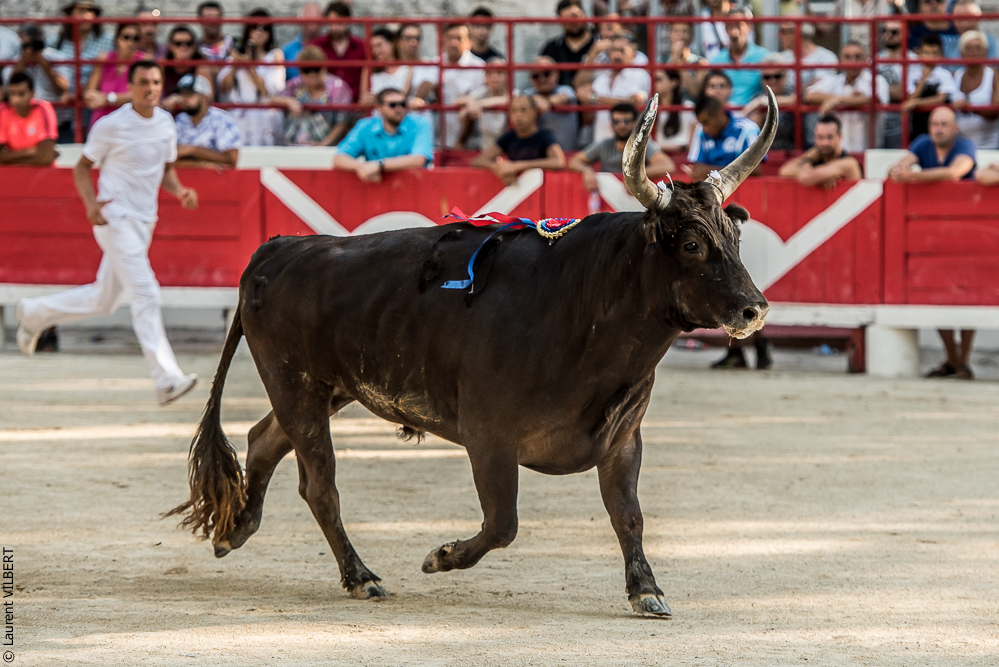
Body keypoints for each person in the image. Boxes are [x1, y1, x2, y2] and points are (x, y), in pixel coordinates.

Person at [15, 59, 200, 405]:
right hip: (114, 216)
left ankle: (33, 312)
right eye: (144, 82)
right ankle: (166, 380)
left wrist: (181, 191)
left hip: (145, 220)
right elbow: (82, 168)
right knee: (146, 292)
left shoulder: (165, 123)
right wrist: (90, 205)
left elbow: (166, 171)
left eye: (157, 82)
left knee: (105, 298)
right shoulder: (111, 125)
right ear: (130, 88)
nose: (151, 88)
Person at [889, 107, 976, 379]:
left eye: (944, 124)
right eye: (934, 124)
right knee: (939, 295)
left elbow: (954, 173)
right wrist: (901, 168)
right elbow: (898, 167)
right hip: (935, 232)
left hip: (965, 231)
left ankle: (960, 360)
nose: (938, 128)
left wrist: (911, 176)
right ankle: (954, 361)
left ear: (955, 128)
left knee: (966, 297)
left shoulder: (965, 145)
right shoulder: (923, 144)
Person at [569, 102, 675, 199]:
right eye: (616, 121)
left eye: (626, 121)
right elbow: (574, 161)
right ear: (611, 125)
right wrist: (587, 170)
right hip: (608, 202)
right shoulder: (605, 144)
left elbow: (667, 165)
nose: (621, 125)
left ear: (635, 124)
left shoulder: (643, 144)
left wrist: (634, 177)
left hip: (636, 204)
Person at [805, 42, 890, 153]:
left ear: (866, 60)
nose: (852, 61)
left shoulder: (877, 80)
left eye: (857, 57)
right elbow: (809, 95)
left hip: (869, 153)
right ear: (841, 60)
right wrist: (844, 98)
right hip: (837, 154)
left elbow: (875, 100)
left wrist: (838, 100)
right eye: (847, 57)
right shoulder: (834, 80)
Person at [333, 88, 433, 181]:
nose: (399, 109)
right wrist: (362, 167)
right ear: (379, 108)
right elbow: (339, 158)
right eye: (392, 105)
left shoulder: (419, 124)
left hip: (413, 189)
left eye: (403, 104)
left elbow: (419, 160)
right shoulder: (365, 126)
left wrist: (378, 165)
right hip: (375, 191)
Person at [218, 9, 286, 146]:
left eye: (265, 28)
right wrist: (236, 64)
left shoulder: (275, 55)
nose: (259, 32)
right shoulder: (236, 55)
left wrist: (248, 65)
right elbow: (224, 88)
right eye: (255, 27)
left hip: (265, 118)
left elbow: (268, 90)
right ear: (248, 30)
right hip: (239, 117)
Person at [471, 95, 566, 185]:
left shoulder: (545, 136)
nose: (518, 115)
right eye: (513, 111)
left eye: (523, 110)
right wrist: (499, 168)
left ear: (534, 112)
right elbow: (479, 160)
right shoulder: (508, 137)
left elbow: (559, 162)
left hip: (544, 189)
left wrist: (517, 166)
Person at [3, 24, 72, 143]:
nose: (31, 48)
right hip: (23, 127)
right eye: (26, 45)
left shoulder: (56, 57)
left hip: (59, 125)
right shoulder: (14, 62)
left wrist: (43, 62)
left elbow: (63, 87)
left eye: (34, 44)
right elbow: (10, 88)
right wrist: (23, 60)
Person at [273, 46, 352, 146]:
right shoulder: (296, 84)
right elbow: (272, 99)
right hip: (293, 149)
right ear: (300, 70)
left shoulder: (338, 87)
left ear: (324, 67)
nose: (311, 74)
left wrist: (323, 145)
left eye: (316, 69)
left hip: (327, 150)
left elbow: (342, 122)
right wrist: (288, 101)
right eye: (306, 70)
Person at [582, 34, 650, 143]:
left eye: (622, 50)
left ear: (634, 54)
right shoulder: (602, 77)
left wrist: (593, 97)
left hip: (629, 146)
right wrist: (585, 98)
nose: (616, 55)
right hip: (601, 145)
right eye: (613, 50)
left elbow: (633, 103)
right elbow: (588, 117)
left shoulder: (639, 74)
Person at [685, 94, 761, 182]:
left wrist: (710, 171)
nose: (704, 128)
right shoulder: (700, 131)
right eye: (701, 123)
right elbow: (698, 169)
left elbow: (754, 170)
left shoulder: (747, 129)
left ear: (719, 114)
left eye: (706, 122)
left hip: (744, 190)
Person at [705, 7, 770, 107]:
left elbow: (774, 90)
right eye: (730, 27)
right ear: (725, 30)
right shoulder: (715, 61)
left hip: (754, 115)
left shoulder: (764, 57)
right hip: (723, 116)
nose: (734, 32)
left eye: (739, 26)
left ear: (749, 28)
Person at [84, 22, 144, 129]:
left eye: (135, 38)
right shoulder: (104, 58)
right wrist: (96, 98)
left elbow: (141, 94)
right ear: (117, 39)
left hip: (130, 122)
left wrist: (108, 98)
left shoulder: (143, 61)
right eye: (126, 37)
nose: (130, 42)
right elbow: (89, 93)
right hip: (102, 120)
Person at [174, 73, 241, 167]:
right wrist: (202, 164)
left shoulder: (223, 120)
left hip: (217, 180)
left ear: (205, 97)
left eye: (189, 95)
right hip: (185, 178)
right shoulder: (180, 120)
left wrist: (193, 150)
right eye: (181, 95)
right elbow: (170, 161)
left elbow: (231, 159)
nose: (183, 99)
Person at [779, 114, 863, 188]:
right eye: (820, 137)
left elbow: (806, 177)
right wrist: (820, 175)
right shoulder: (816, 157)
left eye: (830, 137)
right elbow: (784, 171)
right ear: (814, 137)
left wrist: (810, 159)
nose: (824, 143)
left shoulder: (849, 163)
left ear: (840, 137)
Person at [438, 23, 486, 148]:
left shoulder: (479, 68)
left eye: (459, 38)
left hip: (471, 143)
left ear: (469, 42)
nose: (454, 43)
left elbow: (478, 103)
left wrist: (461, 141)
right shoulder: (435, 64)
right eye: (450, 38)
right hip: (440, 141)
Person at [902, 34, 958, 140]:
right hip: (918, 125)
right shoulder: (913, 75)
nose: (930, 57)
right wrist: (923, 79)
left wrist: (917, 103)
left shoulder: (945, 74)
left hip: (939, 126)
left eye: (934, 53)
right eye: (927, 53)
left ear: (941, 55)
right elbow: (911, 98)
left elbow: (940, 99)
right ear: (920, 54)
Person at [310, 1, 366, 102]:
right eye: (333, 21)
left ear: (348, 21)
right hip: (326, 107)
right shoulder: (316, 46)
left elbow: (367, 74)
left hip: (355, 106)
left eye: (340, 21)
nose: (336, 25)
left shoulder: (362, 46)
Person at [878, 19, 921, 149]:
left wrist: (879, 90)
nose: (888, 35)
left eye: (894, 31)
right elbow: (866, 91)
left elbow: (906, 94)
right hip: (877, 124)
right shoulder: (876, 58)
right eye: (884, 30)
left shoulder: (913, 60)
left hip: (903, 126)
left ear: (905, 34)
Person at [49, 0, 114, 86]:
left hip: (93, 96)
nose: (87, 16)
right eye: (81, 11)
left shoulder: (108, 41)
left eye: (91, 11)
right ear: (70, 15)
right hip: (60, 96)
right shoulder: (56, 41)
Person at [952, 30, 999, 149]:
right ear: (961, 52)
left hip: (989, 147)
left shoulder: (994, 76)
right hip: (958, 146)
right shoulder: (955, 75)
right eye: (968, 48)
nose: (973, 52)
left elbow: (995, 111)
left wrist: (969, 107)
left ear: (986, 52)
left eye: (978, 48)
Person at [0, 72, 59, 165]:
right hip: (13, 176)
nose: (16, 99)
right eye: (12, 93)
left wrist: (9, 160)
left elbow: (46, 158)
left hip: (42, 176)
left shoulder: (43, 109)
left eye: (21, 94)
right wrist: (31, 152)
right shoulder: (3, 111)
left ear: (32, 93)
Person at [742, 53, 797, 150]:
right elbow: (752, 134)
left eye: (777, 76)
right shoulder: (756, 98)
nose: (772, 80)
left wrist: (763, 102)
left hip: (790, 151)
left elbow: (798, 99)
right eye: (767, 77)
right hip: (764, 154)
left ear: (786, 76)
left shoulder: (793, 92)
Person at [523, 56, 579, 151]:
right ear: (531, 79)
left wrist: (544, 102)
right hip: (536, 156)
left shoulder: (565, 89)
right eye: (536, 75)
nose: (542, 78)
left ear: (556, 74)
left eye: (546, 73)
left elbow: (563, 98)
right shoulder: (528, 93)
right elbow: (520, 101)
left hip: (566, 155)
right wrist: (536, 100)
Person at [457, 57, 511, 150]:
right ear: (485, 77)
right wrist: (471, 102)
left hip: (508, 151)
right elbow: (458, 100)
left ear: (507, 75)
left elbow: (509, 100)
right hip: (485, 150)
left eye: (499, 72)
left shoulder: (514, 94)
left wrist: (478, 104)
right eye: (489, 73)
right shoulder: (483, 92)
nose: (494, 77)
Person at [540, 0, 596, 88]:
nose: (572, 21)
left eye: (575, 16)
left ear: (584, 15)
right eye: (566, 18)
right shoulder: (552, 48)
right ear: (559, 20)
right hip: (560, 99)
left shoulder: (599, 43)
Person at [160, 26, 214, 113]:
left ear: (194, 46)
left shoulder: (201, 67)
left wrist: (179, 99)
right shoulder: (163, 65)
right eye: (178, 43)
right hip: (166, 114)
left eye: (188, 43)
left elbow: (208, 98)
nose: (183, 47)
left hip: (191, 116)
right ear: (170, 46)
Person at [777, 21, 837, 90]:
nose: (779, 35)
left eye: (783, 31)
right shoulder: (782, 57)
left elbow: (820, 88)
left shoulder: (826, 57)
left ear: (797, 33)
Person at [364, 27, 409, 105]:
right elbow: (363, 101)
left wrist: (376, 98)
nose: (375, 51)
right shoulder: (369, 69)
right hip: (376, 116)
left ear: (392, 44)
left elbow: (402, 98)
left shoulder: (406, 69)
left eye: (379, 45)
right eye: (373, 47)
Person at [654, 69, 695, 152]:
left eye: (658, 79)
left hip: (682, 155)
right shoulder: (652, 108)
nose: (654, 84)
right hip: (658, 156)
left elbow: (693, 142)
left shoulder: (687, 107)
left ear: (674, 82)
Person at [282, 2, 323, 81]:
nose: (313, 21)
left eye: (317, 18)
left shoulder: (329, 48)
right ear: (300, 20)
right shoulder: (288, 50)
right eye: (309, 17)